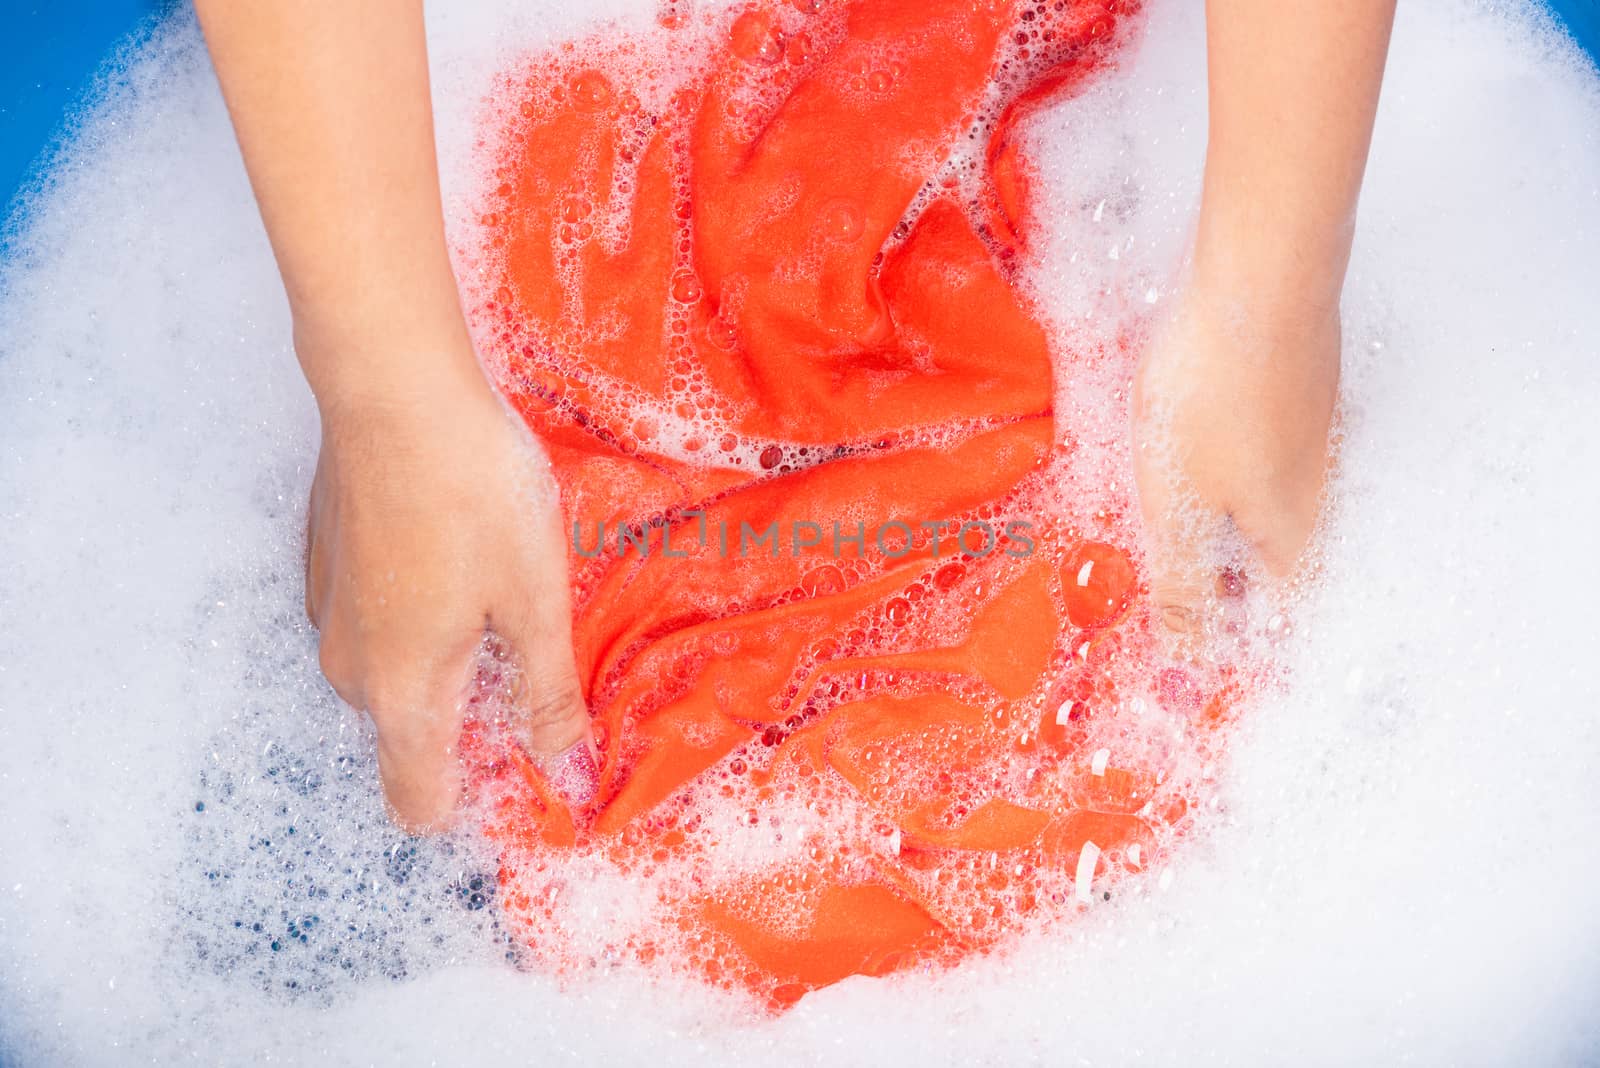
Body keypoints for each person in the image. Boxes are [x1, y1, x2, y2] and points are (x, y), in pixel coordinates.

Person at [194, 0, 1396, 833]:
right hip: (550, 82)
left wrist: (1270, 294)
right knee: (501, 626)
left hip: (1052, 121)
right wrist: (389, 392)